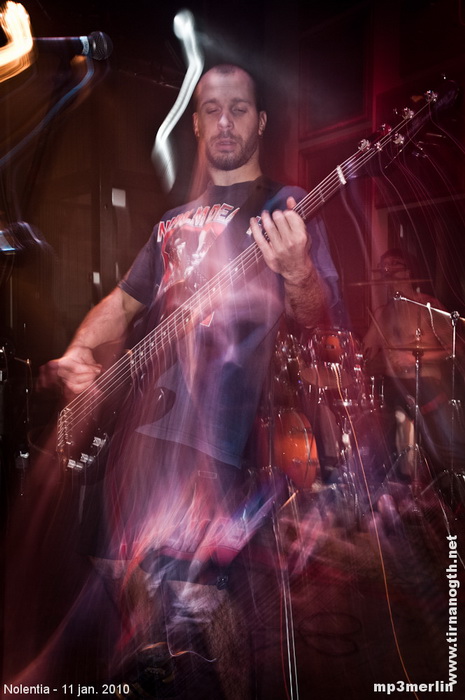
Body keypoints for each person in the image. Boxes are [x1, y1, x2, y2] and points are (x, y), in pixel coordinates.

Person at [44, 64, 341, 695]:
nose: (225, 121)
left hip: (216, 438)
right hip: (142, 429)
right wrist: (79, 349)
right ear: (198, 125)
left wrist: (297, 271)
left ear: (261, 122)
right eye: (211, 109)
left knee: (205, 602)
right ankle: (156, 652)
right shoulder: (170, 222)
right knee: (111, 560)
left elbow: (317, 316)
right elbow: (122, 303)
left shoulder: (286, 206)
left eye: (239, 108)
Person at [362, 248, 463, 480]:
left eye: (394, 265)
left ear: (408, 271)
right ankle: (395, 484)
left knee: (446, 456)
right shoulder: (382, 313)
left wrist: (415, 357)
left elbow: (457, 348)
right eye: (384, 268)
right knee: (376, 428)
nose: (388, 271)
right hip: (394, 389)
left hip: (428, 386)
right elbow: (364, 354)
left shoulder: (429, 306)